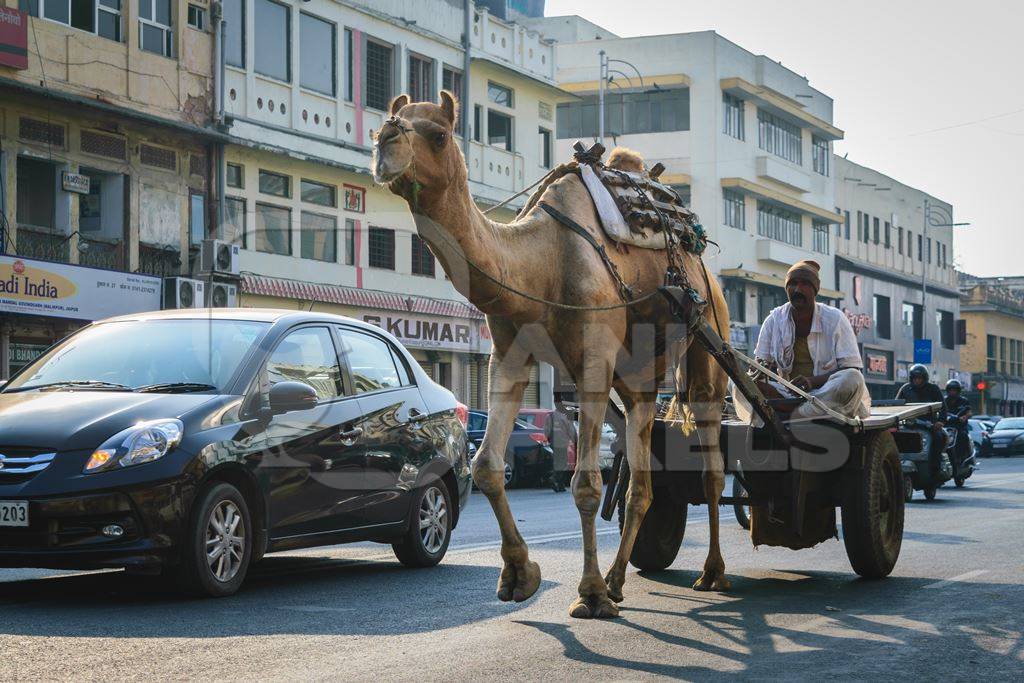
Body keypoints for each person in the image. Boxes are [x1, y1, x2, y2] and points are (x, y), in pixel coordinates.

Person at [736, 259, 871, 423]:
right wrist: (759, 372)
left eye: (805, 284)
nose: (797, 289)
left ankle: (796, 412)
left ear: (815, 289)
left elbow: (851, 367)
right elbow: (759, 365)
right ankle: (799, 411)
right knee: (737, 380)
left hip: (825, 393)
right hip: (787, 395)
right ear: (786, 288)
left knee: (852, 378)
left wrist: (811, 382)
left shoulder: (835, 318)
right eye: (792, 284)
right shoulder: (774, 320)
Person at [896, 364, 947, 472]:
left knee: (939, 438)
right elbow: (896, 406)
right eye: (915, 378)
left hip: (928, 424)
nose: (917, 380)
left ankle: (935, 467)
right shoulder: (905, 389)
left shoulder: (933, 389)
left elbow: (943, 407)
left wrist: (940, 422)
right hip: (908, 424)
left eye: (919, 378)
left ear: (925, 378)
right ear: (911, 378)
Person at [548, 395, 577, 493]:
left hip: (553, 443)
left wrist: (549, 440)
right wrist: (575, 440)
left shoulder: (551, 415)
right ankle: (555, 479)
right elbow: (571, 430)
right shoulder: (565, 416)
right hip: (562, 442)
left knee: (557, 462)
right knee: (563, 463)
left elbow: (546, 430)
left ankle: (560, 484)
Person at [943, 379, 972, 471]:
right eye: (951, 390)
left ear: (958, 391)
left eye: (954, 390)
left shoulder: (963, 401)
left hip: (959, 427)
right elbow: (940, 412)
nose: (952, 392)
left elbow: (969, 412)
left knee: (963, 436)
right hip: (946, 426)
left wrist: (965, 417)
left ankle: (964, 456)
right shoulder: (944, 401)